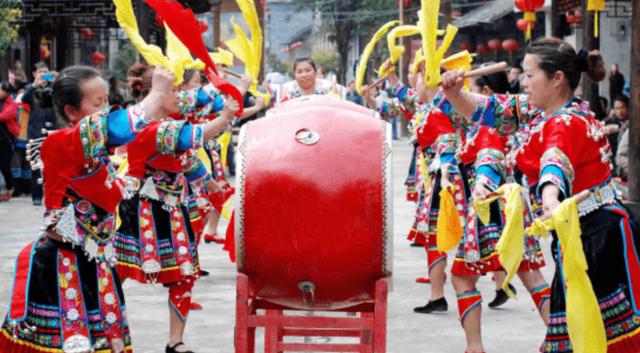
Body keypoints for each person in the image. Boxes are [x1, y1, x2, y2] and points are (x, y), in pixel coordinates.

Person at [442, 37, 640, 353]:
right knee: (579, 334)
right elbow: (486, 109)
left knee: (606, 336)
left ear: (557, 78)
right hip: (578, 238)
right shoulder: (540, 112)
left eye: (531, 74)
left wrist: (550, 200)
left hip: (599, 240)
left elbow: (555, 164)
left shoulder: (566, 121)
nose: (524, 81)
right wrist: (454, 92)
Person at [0, 64, 176, 353]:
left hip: (96, 264)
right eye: (98, 103)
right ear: (71, 111)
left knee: (106, 342)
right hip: (62, 266)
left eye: (107, 101)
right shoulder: (60, 143)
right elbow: (119, 127)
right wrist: (156, 92)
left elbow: (127, 138)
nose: (105, 108)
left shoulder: (97, 154)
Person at [115, 63, 240, 353]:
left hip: (172, 208)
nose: (180, 95)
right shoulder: (149, 128)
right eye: (172, 90)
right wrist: (224, 117)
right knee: (116, 273)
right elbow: (193, 138)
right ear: (155, 94)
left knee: (184, 274)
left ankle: (176, 341)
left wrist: (210, 186)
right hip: (140, 211)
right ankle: (113, 336)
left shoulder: (166, 118)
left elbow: (186, 158)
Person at [446, 70, 550, 352]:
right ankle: (562, 337)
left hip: (489, 209)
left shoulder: (488, 127)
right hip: (511, 205)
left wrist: (482, 183)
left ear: (487, 95)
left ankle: (475, 346)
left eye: (471, 90)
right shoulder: (495, 123)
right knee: (531, 274)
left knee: (462, 277)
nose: (465, 95)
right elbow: (442, 104)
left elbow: (490, 156)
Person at [15, 61, 56, 205]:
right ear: (34, 74)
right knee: (36, 165)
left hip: (52, 131)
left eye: (46, 71)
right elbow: (24, 99)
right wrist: (34, 84)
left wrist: (55, 81)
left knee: (53, 166)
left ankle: (52, 195)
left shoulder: (54, 88)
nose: (44, 75)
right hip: (35, 132)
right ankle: (37, 197)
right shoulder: (30, 90)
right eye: (40, 72)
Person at [0, 81, 19, 201]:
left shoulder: (11, 103)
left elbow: (5, 115)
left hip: (6, 139)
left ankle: (10, 188)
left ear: (6, 92)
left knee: (5, 166)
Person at [603, 95, 629, 172]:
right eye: (617, 108)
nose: (620, 111)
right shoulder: (608, 122)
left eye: (622, 108)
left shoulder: (633, 122)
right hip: (612, 160)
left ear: (628, 108)